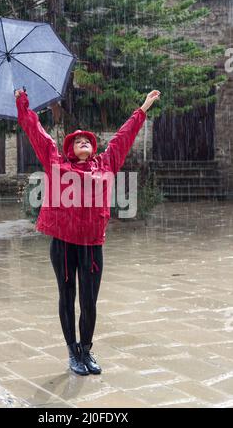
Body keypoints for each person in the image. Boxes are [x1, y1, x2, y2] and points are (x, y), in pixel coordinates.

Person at [15, 88, 160, 376]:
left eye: (87, 141)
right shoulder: (57, 164)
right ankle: (72, 351)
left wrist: (142, 109)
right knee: (67, 296)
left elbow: (122, 139)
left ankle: (86, 349)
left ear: (93, 149)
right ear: (70, 150)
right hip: (64, 244)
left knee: (89, 300)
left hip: (92, 244)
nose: (83, 142)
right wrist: (23, 103)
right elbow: (37, 133)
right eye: (78, 141)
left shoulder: (105, 165)